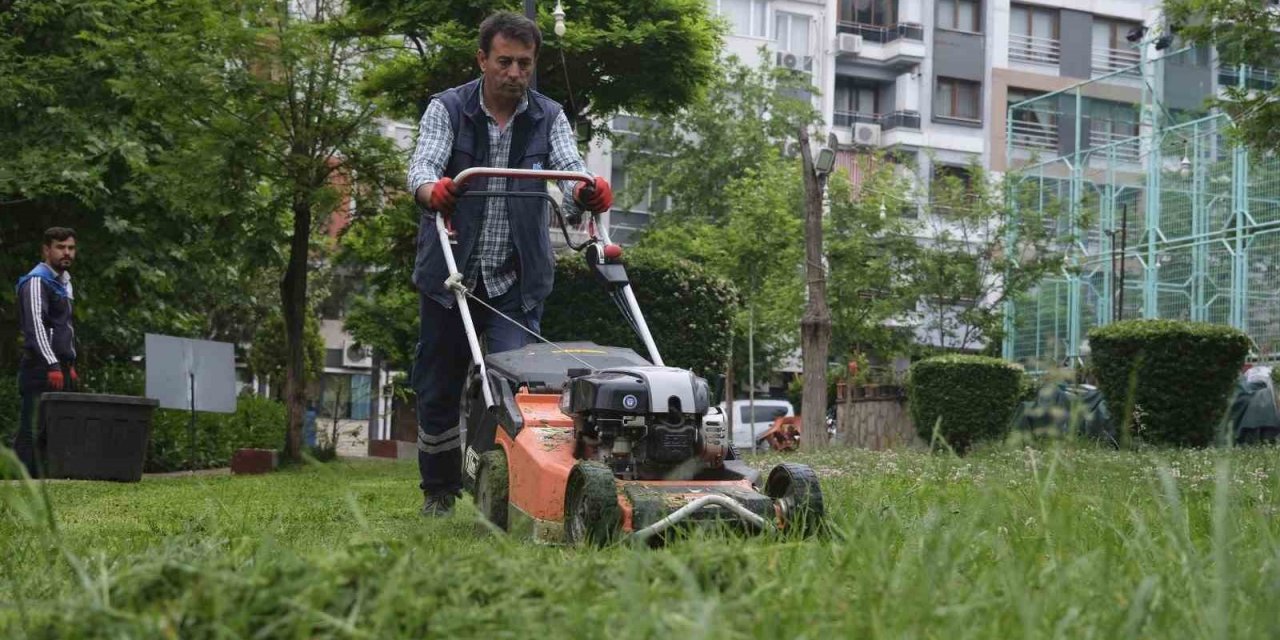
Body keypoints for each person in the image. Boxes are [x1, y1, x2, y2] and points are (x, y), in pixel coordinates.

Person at [407, 11, 613, 516]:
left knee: (513, 394)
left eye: (524, 63)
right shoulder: (448, 109)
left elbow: (568, 170)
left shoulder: (549, 117)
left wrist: (586, 190)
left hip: (514, 285)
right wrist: (431, 190)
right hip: (449, 279)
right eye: (504, 62)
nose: (515, 73)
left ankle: (502, 489)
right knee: (438, 387)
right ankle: (438, 491)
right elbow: (422, 165)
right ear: (483, 60)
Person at [13, 227, 80, 476]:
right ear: (46, 250)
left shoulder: (63, 282)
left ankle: (46, 480)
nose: (67, 253)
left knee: (54, 427)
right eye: (60, 247)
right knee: (32, 427)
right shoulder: (36, 281)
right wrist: (52, 364)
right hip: (40, 366)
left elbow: (64, 328)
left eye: (71, 248)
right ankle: (18, 481)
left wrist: (69, 363)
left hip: (59, 367)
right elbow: (35, 328)